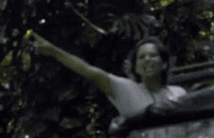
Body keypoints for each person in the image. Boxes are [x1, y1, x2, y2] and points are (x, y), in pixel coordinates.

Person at [31, 33, 186, 118]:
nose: (147, 60)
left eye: (153, 55)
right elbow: (90, 71)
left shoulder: (178, 93)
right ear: (135, 68)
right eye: (141, 57)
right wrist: (53, 51)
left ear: (164, 64)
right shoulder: (126, 89)